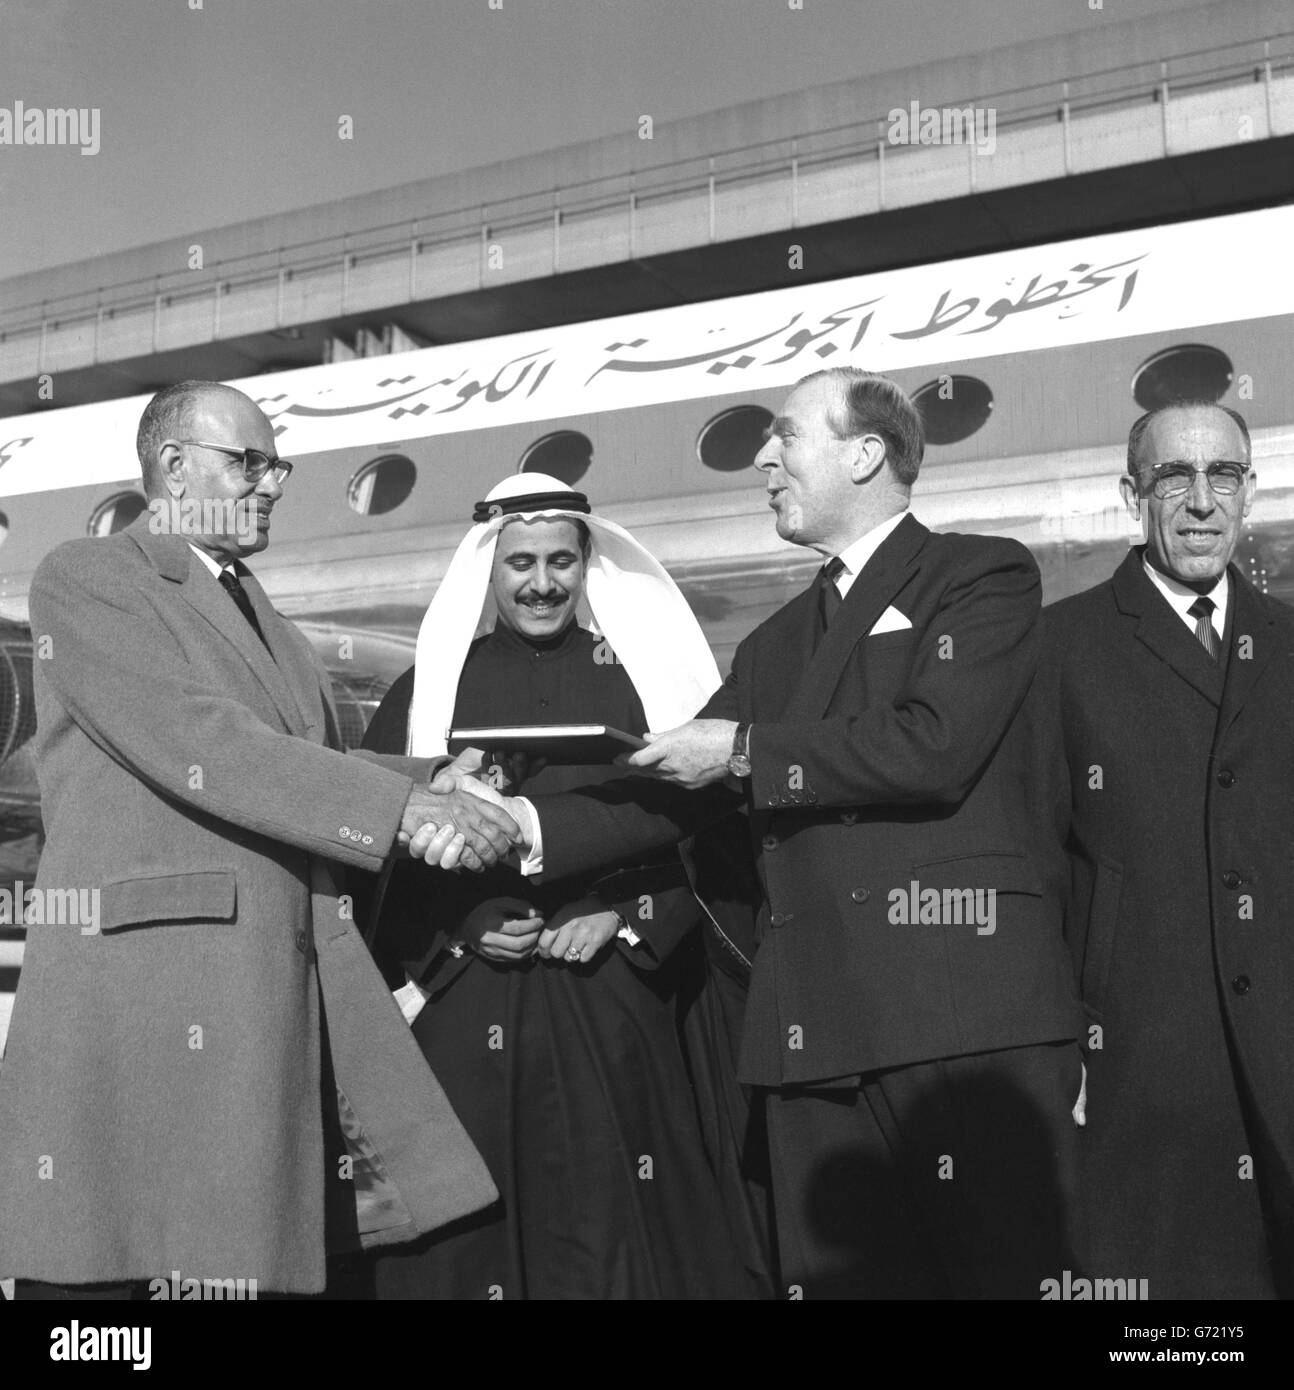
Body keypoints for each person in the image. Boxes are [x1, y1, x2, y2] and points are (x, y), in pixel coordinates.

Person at [439, 369, 1087, 1298]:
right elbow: (674, 790)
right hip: (814, 1044)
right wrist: (514, 826)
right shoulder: (776, 643)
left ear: (865, 454)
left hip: (964, 1027)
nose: (762, 457)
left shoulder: (981, 576)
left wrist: (743, 749)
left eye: (786, 437)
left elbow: (933, 745)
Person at [0, 380, 517, 1299]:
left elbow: (293, 758)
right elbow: (202, 741)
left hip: (263, 983)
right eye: (250, 461)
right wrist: (406, 812)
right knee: (114, 1282)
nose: (272, 483)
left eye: (277, 463)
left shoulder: (267, 618)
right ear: (172, 465)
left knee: (246, 1258)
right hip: (152, 987)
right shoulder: (89, 576)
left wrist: (427, 780)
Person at [359, 473, 771, 1299]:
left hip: (617, 1001)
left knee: (625, 1233)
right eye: (520, 564)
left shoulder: (649, 684)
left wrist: (627, 914)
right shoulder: (424, 693)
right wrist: (466, 923)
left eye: (559, 561)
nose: (541, 583)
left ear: (588, 564)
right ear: (490, 570)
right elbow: (376, 852)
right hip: (468, 1002)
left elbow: (718, 839)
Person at [1022, 400, 1294, 1299]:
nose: (1203, 501)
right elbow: (1034, 870)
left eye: (1224, 476)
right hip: (1141, 1058)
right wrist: (1064, 1051)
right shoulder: (1061, 650)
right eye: (1176, 477)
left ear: (1250, 492)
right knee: (1175, 1315)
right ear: (1131, 494)